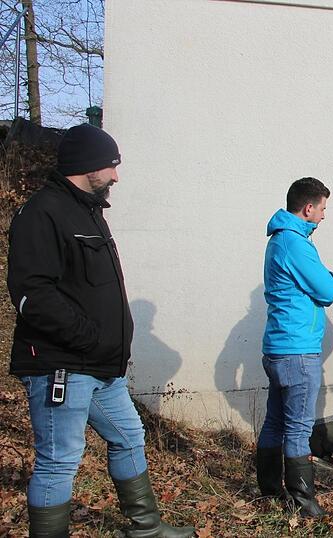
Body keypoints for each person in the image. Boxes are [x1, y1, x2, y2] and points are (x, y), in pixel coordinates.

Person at [6, 124, 194, 537]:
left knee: (129, 436)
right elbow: (31, 292)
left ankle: (145, 528)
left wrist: (107, 347)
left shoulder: (87, 210)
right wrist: (89, 337)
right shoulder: (42, 213)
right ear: (88, 164)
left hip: (102, 369)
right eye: (111, 166)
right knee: (59, 461)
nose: (116, 176)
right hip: (63, 366)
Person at [256, 177, 333, 517]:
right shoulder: (295, 243)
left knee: (276, 422)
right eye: (322, 209)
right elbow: (327, 290)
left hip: (278, 347)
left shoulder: (280, 240)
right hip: (297, 351)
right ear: (308, 208)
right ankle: (305, 505)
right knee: (299, 428)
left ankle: (271, 492)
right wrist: (329, 276)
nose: (323, 216)